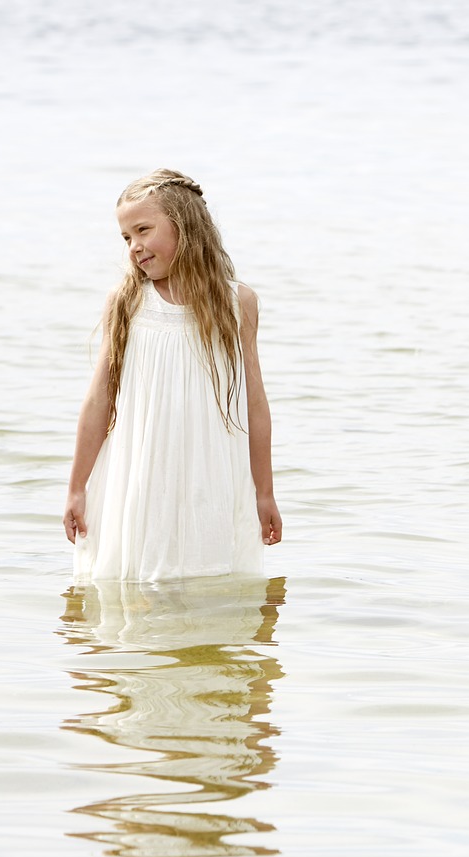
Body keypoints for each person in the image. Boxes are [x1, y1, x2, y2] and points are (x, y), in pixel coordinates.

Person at [63, 169, 282, 581]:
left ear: (184, 225)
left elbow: (255, 402)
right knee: (136, 590)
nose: (134, 247)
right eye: (126, 238)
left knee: (210, 594)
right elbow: (99, 397)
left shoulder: (238, 303)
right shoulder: (128, 301)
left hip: (210, 475)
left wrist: (264, 493)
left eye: (143, 230)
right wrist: (77, 486)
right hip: (140, 474)